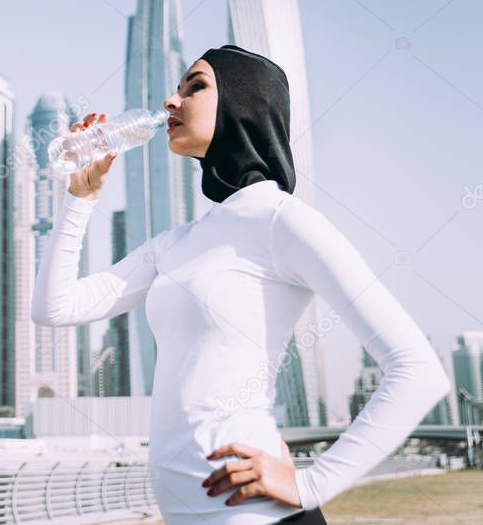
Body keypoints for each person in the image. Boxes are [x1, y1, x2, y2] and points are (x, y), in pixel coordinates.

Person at [30, 45, 450, 525]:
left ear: (242, 102)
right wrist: (80, 200)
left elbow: (417, 369)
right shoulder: (176, 243)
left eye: (195, 86)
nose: (171, 101)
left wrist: (311, 483)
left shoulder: (281, 221)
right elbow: (54, 308)